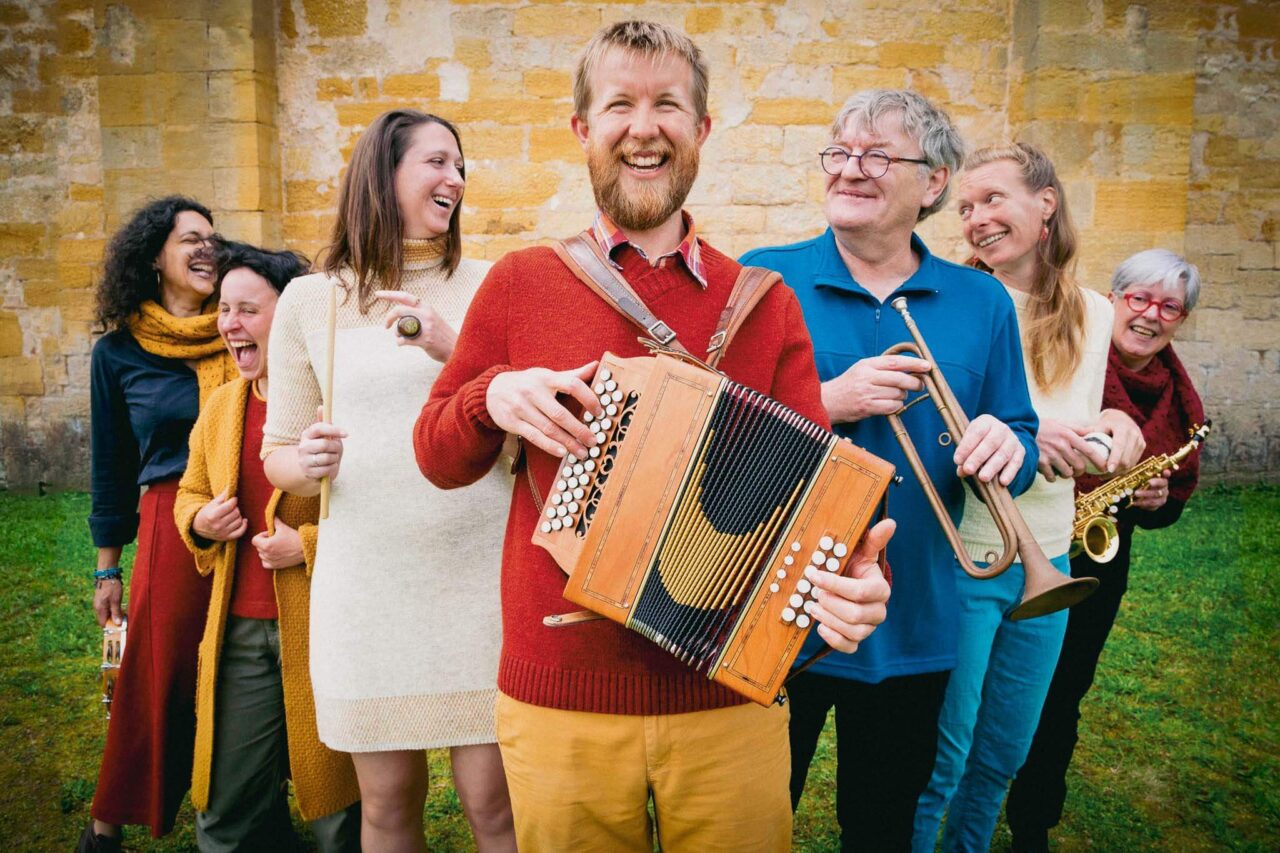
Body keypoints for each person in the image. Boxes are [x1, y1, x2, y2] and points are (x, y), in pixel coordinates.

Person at [413, 20, 895, 852]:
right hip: (560, 694)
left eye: (668, 104)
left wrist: (859, 578)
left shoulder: (763, 302)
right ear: (582, 129)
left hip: (728, 699)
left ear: (701, 128)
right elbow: (436, 455)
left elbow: (825, 499)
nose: (644, 128)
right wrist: (492, 395)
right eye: (619, 106)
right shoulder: (522, 282)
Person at [740, 90, 1041, 851]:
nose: (850, 169)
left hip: (916, 618)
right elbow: (716, 435)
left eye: (876, 155)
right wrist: (826, 401)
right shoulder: (762, 278)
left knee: (882, 827)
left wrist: (1009, 446)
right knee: (745, 824)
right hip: (774, 609)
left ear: (933, 181)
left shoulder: (983, 301)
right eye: (840, 152)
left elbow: (1020, 432)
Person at [261, 110, 515, 852]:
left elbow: (528, 429)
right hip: (367, 588)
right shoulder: (310, 301)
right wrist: (305, 461)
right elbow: (277, 455)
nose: (455, 179)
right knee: (388, 803)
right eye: (437, 162)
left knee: (494, 803)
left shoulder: (492, 285)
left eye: (460, 166)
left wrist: (452, 348)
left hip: (478, 577)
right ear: (383, 173)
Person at [911, 142, 1145, 852]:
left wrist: (1120, 423)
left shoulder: (1097, 312)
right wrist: (1028, 437)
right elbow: (933, 418)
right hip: (968, 556)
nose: (976, 218)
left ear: (1045, 203)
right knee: (942, 756)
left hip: (1050, 555)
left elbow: (1106, 399)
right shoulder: (954, 301)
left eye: (992, 199)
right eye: (965, 207)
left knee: (1002, 755)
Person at [1005, 249, 1207, 852]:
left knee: (1063, 692)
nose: (1150, 315)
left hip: (1095, 561)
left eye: (1169, 306)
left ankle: (1032, 822)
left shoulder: (1178, 398)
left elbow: (1173, 501)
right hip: (1017, 536)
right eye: (1139, 298)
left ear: (1181, 319)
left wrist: (1157, 500)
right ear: (1114, 299)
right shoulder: (1070, 352)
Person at [173, 239, 361, 850]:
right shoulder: (222, 407)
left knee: (340, 808)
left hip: (326, 627)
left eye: (248, 310)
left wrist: (307, 546)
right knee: (227, 804)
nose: (230, 324)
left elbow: (383, 513)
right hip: (240, 632)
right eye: (224, 309)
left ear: (293, 314)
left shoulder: (338, 404)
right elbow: (189, 491)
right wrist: (200, 520)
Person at [82, 196, 236, 852]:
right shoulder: (118, 353)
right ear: (152, 258)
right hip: (171, 523)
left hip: (245, 509)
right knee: (159, 669)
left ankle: (241, 804)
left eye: (213, 239)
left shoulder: (241, 327)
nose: (207, 249)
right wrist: (107, 568)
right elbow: (112, 464)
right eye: (189, 239)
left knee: (243, 669)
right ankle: (108, 821)